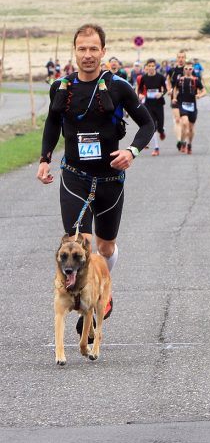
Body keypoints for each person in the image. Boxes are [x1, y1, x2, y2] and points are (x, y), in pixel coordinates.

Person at [37, 23, 155, 335]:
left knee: (106, 246)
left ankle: (104, 288)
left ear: (103, 51)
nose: (87, 55)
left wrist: (132, 152)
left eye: (93, 49)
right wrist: (45, 158)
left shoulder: (118, 87)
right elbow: (51, 123)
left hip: (110, 181)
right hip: (74, 177)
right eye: (82, 49)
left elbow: (147, 124)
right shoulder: (61, 88)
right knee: (81, 244)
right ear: (74, 51)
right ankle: (85, 304)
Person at [171, 61, 205, 154]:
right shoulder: (180, 80)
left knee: (191, 128)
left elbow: (204, 90)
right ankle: (183, 142)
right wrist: (174, 98)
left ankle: (189, 144)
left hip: (192, 107)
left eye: (190, 69)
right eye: (186, 69)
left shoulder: (195, 80)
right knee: (184, 123)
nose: (188, 70)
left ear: (192, 69)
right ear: (183, 69)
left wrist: (199, 95)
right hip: (182, 105)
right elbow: (175, 88)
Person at [136, 58, 167, 156]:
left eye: (153, 66)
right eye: (149, 66)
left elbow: (166, 89)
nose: (151, 68)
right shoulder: (144, 78)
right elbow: (140, 88)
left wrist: (161, 94)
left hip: (158, 104)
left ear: (155, 67)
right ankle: (156, 148)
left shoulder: (160, 77)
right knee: (152, 126)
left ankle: (161, 131)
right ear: (146, 67)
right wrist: (140, 94)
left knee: (160, 126)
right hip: (148, 104)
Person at [166, 51, 187, 151]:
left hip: (186, 100)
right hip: (175, 99)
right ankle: (179, 140)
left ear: (185, 58)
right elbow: (168, 82)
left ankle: (183, 140)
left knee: (184, 123)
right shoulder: (172, 70)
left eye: (183, 57)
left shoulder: (188, 70)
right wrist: (169, 89)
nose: (181, 59)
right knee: (178, 120)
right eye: (179, 57)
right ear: (177, 58)